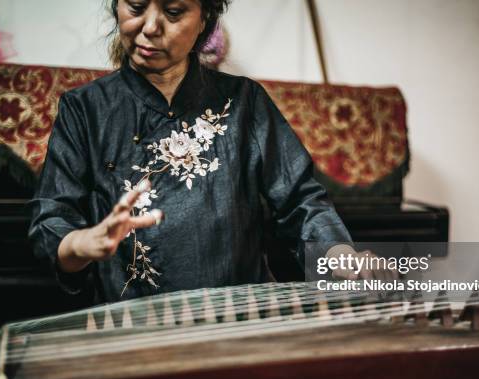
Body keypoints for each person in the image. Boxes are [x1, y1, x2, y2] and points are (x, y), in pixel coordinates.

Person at [28, 0, 353, 304]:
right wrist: (82, 243)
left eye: (173, 12)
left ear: (205, 21)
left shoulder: (243, 101)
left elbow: (301, 200)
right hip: (135, 329)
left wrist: (341, 256)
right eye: (137, 7)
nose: (150, 26)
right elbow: (52, 221)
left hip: (240, 319)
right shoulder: (85, 110)